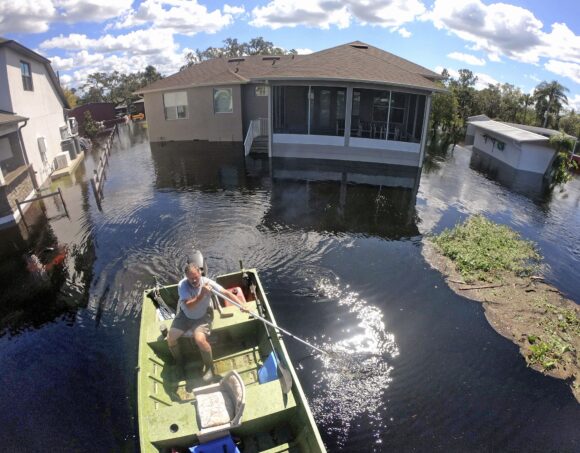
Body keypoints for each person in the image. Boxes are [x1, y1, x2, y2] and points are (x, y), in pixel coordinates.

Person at [167, 263, 245, 382]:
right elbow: (189, 306)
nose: (193, 280)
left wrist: (241, 305)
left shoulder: (207, 282)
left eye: (196, 277)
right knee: (170, 338)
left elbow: (225, 293)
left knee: (200, 340)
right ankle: (179, 362)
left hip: (202, 316)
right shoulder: (182, 285)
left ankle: (209, 367)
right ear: (186, 277)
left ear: (200, 273)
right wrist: (202, 294)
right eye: (190, 278)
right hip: (185, 315)